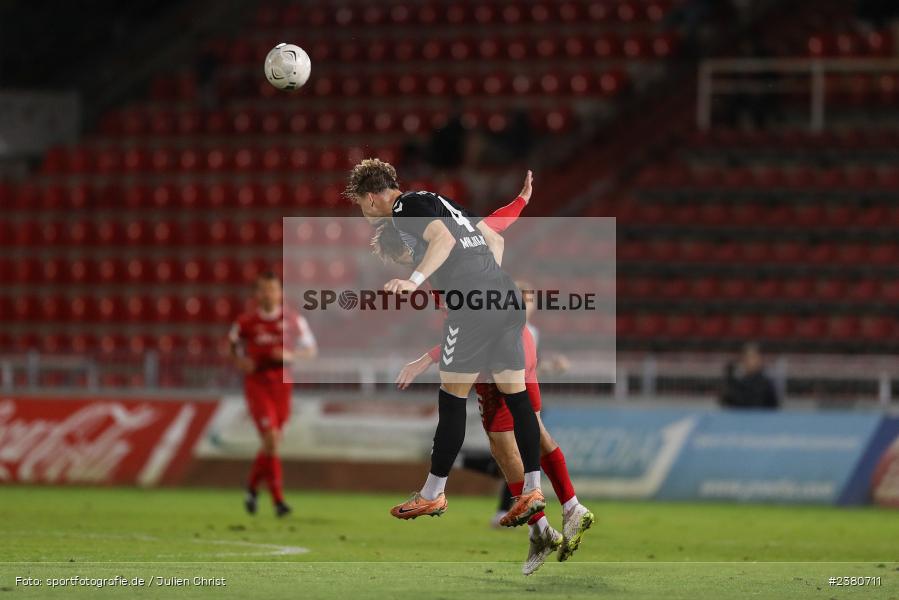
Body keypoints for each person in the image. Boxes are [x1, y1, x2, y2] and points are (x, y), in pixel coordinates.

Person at [379, 189, 593, 574]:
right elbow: (498, 224)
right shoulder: (469, 233)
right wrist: (524, 200)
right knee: (531, 427)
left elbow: (461, 323)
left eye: (401, 253)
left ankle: (545, 514)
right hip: (511, 331)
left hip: (488, 339)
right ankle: (557, 517)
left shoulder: (438, 254)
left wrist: (428, 357)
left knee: (499, 438)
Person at [345, 158, 545, 528]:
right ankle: (533, 488)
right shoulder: (439, 202)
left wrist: (414, 280)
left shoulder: (405, 208)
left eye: (360, 205)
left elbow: (443, 239)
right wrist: (520, 202)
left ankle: (433, 493)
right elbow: (491, 229)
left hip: (471, 308)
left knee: (451, 399)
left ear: (372, 198)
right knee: (516, 399)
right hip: (506, 299)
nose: (364, 213)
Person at [228, 272, 318, 516]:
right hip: (257, 385)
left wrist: (290, 356)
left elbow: (311, 350)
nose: (269, 294)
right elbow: (231, 343)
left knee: (273, 443)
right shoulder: (246, 321)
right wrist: (239, 360)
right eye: (264, 290)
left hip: (282, 386)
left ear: (280, 293)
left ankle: (251, 488)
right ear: (258, 294)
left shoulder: (293, 319)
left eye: (273, 290)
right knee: (271, 439)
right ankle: (278, 501)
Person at [720, 342, 780, 409]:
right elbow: (725, 402)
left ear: (760, 360)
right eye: (747, 357)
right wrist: (729, 378)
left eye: (754, 357)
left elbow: (774, 407)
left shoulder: (766, 384)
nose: (750, 361)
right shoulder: (736, 383)